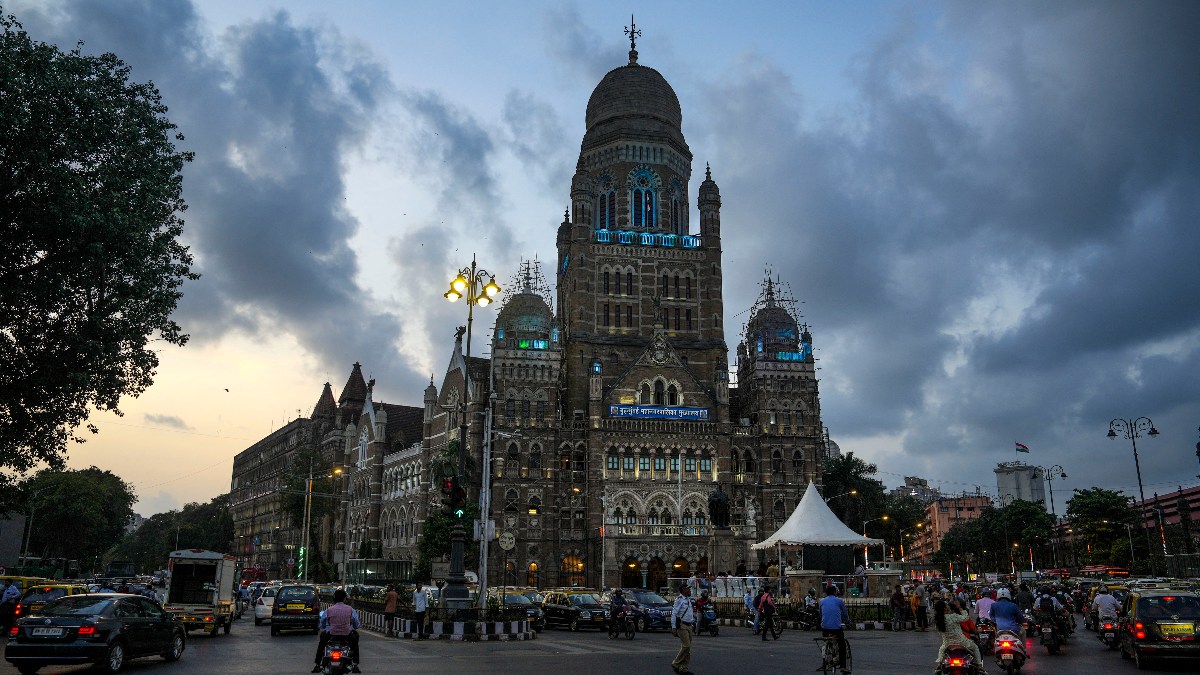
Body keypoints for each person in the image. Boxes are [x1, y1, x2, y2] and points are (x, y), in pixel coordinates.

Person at [313, 589, 361, 673]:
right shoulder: (350, 610)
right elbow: (356, 624)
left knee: (321, 645)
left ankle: (317, 664)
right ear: (345, 598)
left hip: (331, 635)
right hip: (346, 635)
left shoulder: (329, 610)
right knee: (355, 644)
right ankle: (355, 664)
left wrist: (324, 626)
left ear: (334, 598)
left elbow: (322, 624)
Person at [934, 598, 986, 673]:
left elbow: (940, 633)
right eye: (946, 605)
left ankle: (939, 666)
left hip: (947, 644)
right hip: (962, 642)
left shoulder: (938, 621)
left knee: (941, 653)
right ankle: (980, 666)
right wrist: (960, 608)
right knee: (975, 647)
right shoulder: (953, 616)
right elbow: (966, 617)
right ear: (945, 608)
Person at [820, 585, 852, 674]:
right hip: (836, 628)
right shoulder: (839, 601)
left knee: (826, 640)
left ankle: (825, 656)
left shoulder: (822, 601)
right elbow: (845, 614)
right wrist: (848, 622)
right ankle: (843, 666)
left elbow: (821, 614)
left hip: (825, 628)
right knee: (842, 644)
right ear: (835, 592)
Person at [671, 583, 695, 675]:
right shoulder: (679, 600)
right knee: (686, 646)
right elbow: (674, 613)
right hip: (682, 625)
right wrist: (673, 627)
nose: (689, 590)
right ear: (683, 590)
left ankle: (684, 668)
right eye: (687, 589)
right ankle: (676, 663)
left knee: (688, 649)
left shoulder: (688, 599)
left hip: (689, 625)